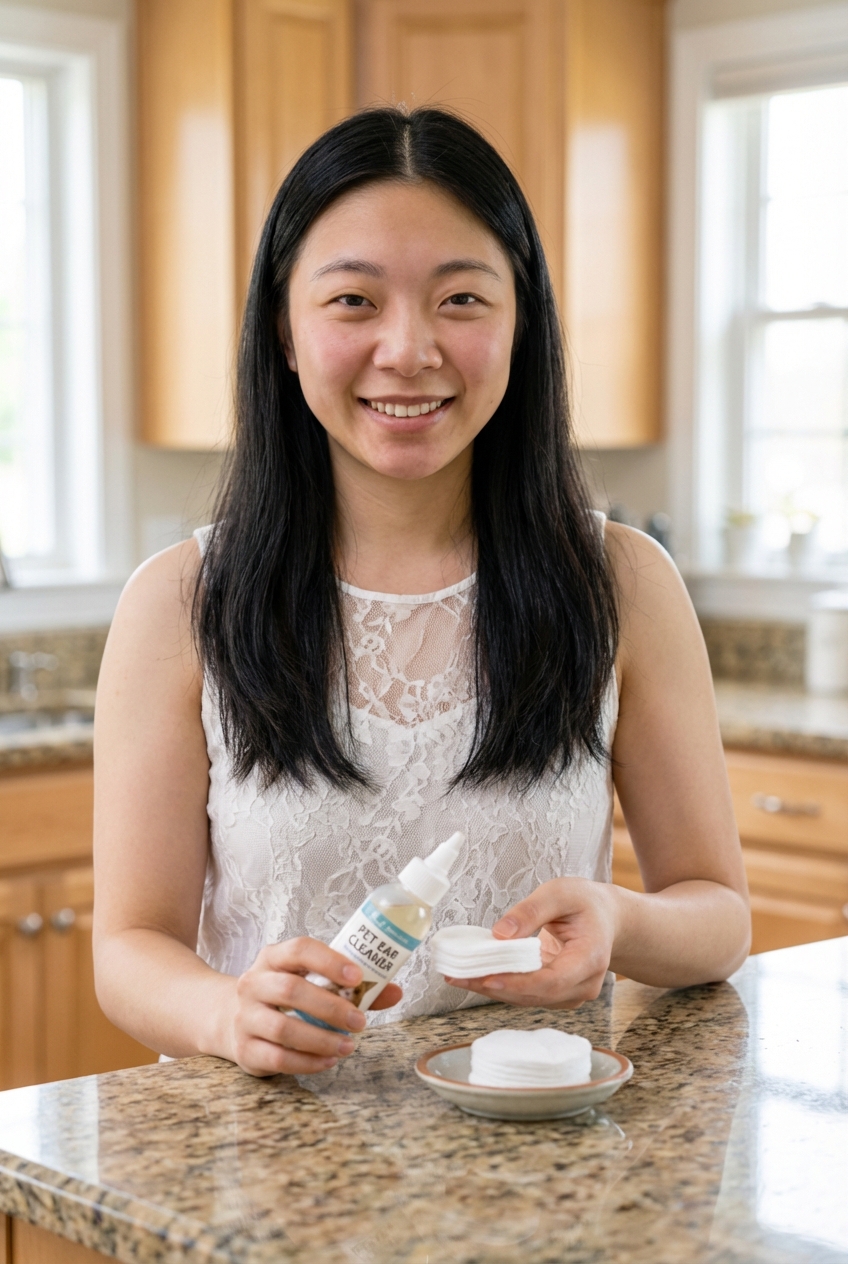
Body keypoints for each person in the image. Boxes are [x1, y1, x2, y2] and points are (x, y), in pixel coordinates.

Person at [93, 107, 750, 1079]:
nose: (407, 350)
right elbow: (127, 948)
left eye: (459, 300)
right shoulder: (183, 600)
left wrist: (620, 919)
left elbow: (718, 913)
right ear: (282, 326)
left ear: (520, 320)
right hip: (267, 1165)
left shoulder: (617, 584)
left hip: (540, 1151)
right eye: (353, 301)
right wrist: (231, 1012)